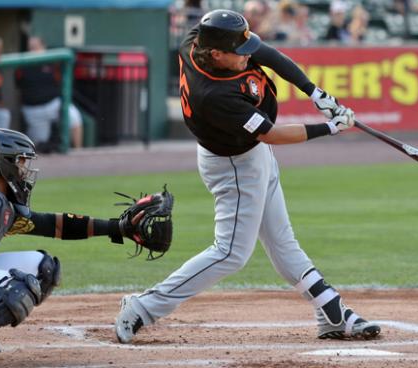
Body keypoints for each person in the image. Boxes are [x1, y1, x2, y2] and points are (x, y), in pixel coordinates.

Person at [115, 9, 381, 343]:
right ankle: (142, 307)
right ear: (215, 55)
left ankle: (332, 313)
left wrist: (314, 93)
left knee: (283, 242)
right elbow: (271, 134)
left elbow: (268, 54)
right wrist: (329, 127)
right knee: (229, 254)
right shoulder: (214, 96)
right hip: (234, 166)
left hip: (250, 154)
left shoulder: (198, 40)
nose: (246, 57)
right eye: (238, 54)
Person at [0, 127, 162, 359]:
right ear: (2, 164)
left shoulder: (0, 204)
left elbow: (54, 225)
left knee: (43, 269)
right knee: (17, 289)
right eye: (20, 162)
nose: (25, 171)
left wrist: (117, 228)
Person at [15, 36, 83, 151]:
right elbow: (18, 86)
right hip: (34, 110)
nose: (33, 50)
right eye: (31, 48)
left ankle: (78, 153)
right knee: (36, 146)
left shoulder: (52, 62)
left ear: (43, 47)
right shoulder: (22, 65)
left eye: (36, 47)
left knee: (74, 118)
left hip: (54, 104)